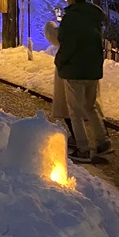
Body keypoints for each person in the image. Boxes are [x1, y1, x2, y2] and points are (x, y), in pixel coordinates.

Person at [55, 0, 111, 163]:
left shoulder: (71, 18)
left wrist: (59, 61)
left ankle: (83, 148)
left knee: (75, 111)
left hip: (74, 70)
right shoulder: (94, 16)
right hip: (92, 69)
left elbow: (67, 45)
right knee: (90, 106)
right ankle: (103, 142)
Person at [44, 18, 78, 154]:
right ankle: (101, 141)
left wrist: (49, 27)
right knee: (87, 108)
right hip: (90, 70)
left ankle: (80, 142)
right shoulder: (91, 23)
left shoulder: (72, 21)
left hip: (69, 70)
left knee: (70, 107)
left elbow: (55, 36)